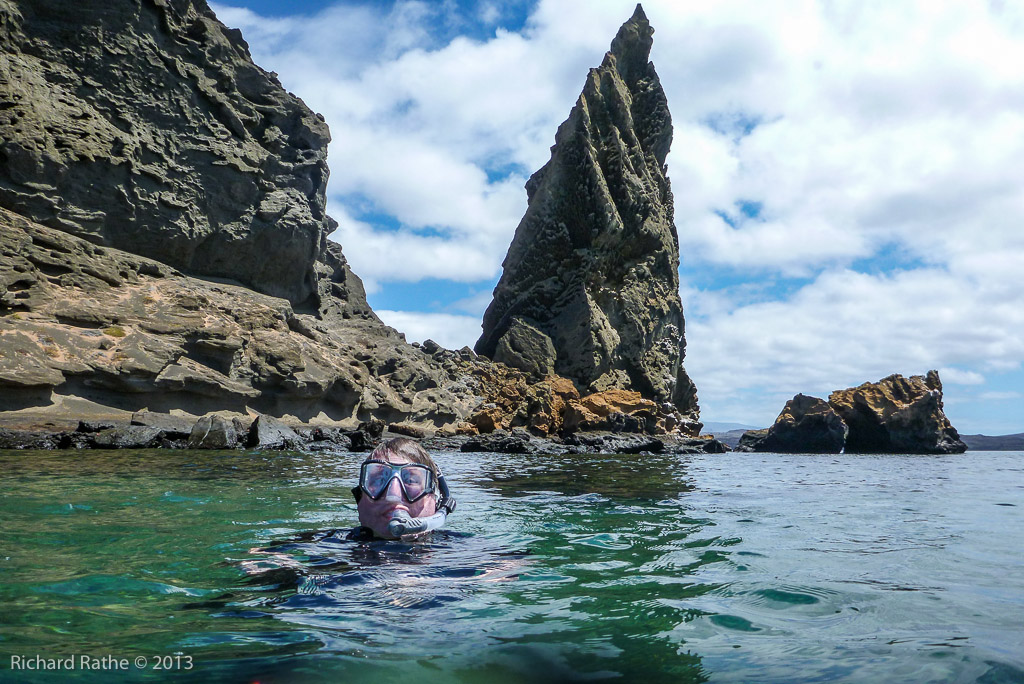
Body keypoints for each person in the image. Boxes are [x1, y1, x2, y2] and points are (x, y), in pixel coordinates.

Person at [350, 437, 456, 540]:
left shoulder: (459, 551)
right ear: (359, 499)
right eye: (379, 480)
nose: (393, 497)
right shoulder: (335, 545)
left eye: (410, 481)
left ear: (435, 502)